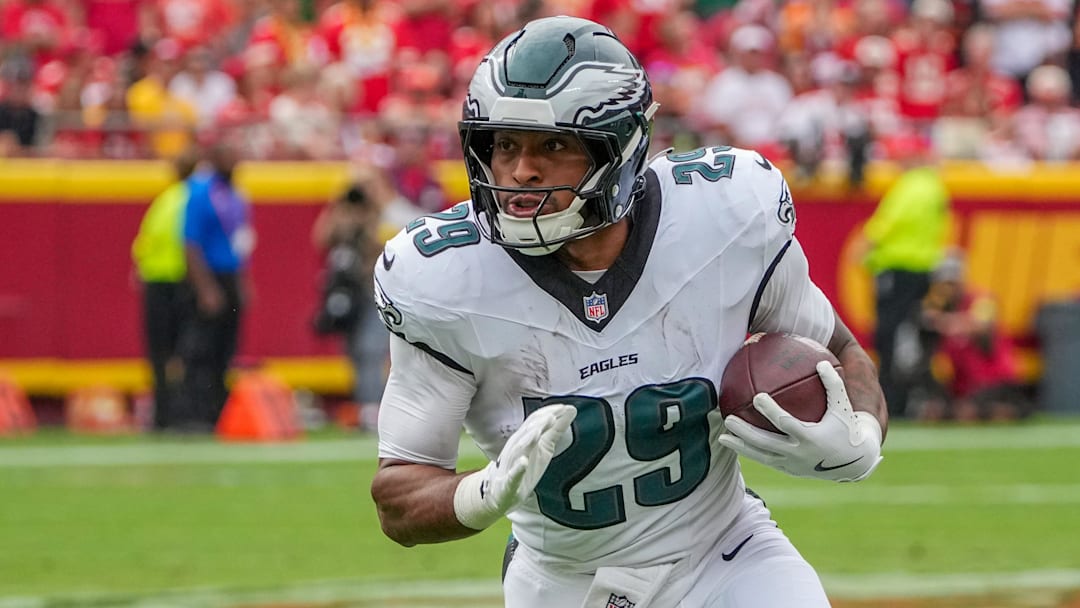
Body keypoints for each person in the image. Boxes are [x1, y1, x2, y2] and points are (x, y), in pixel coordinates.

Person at [370, 16, 887, 608]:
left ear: (618, 148)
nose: (519, 170)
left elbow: (843, 354)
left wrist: (861, 436)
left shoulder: (726, 215)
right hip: (563, 579)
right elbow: (398, 497)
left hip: (725, 553)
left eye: (553, 145)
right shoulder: (442, 279)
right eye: (504, 144)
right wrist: (483, 493)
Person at [852, 140, 950, 418]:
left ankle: (891, 399)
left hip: (898, 267)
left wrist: (866, 244)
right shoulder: (935, 186)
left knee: (889, 335)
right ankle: (909, 396)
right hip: (921, 267)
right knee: (911, 334)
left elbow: (890, 221)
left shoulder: (912, 185)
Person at [311, 168, 398, 431]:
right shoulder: (343, 216)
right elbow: (321, 238)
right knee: (355, 352)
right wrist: (340, 204)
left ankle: (374, 407)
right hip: (350, 295)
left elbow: (385, 244)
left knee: (371, 349)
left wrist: (375, 207)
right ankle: (365, 406)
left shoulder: (385, 214)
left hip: (375, 292)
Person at [179, 139, 254, 430]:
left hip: (229, 275)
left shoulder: (235, 193)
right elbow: (190, 242)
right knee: (201, 349)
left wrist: (243, 280)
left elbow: (239, 241)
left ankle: (217, 411)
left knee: (226, 348)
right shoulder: (200, 192)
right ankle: (193, 413)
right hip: (207, 275)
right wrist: (205, 288)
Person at [131, 148, 199, 431]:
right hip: (181, 280)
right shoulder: (194, 200)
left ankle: (162, 414)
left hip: (155, 280)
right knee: (186, 352)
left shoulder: (164, 200)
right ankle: (182, 412)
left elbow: (144, 242)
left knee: (159, 353)